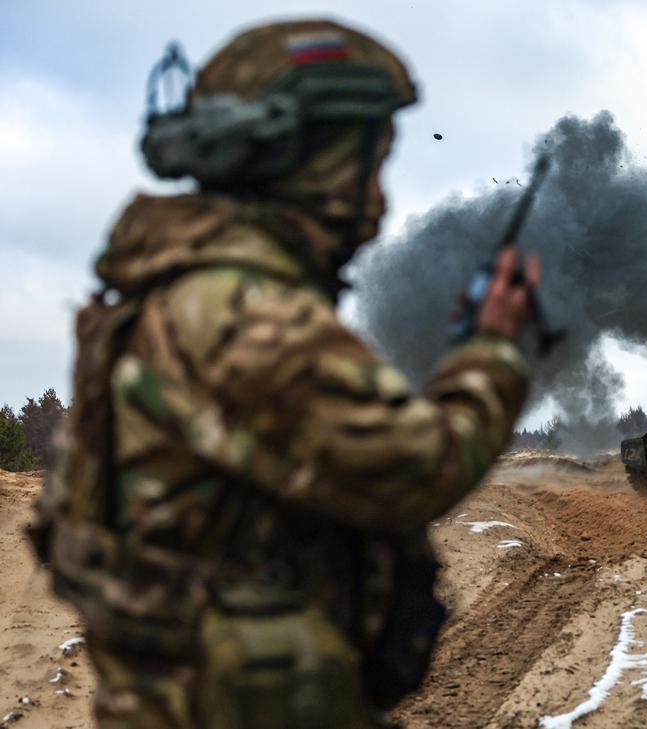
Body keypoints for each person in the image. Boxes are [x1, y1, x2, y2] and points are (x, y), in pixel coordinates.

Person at [30, 18, 538, 729]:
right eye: (368, 164)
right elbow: (419, 468)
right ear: (308, 158)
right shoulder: (244, 314)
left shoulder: (170, 290)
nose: (379, 199)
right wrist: (494, 350)